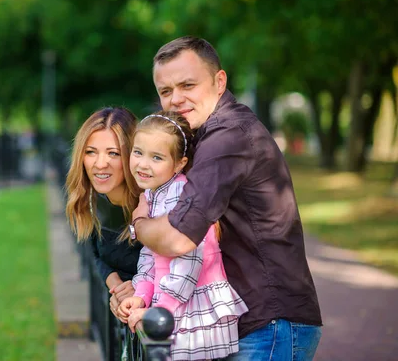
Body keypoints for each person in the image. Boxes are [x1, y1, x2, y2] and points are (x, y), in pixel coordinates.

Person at [131, 37, 322, 360]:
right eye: (166, 91)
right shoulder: (202, 135)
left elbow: (179, 239)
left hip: (270, 324)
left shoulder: (227, 136)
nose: (176, 99)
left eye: (188, 84)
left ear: (219, 82)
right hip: (256, 324)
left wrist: (139, 221)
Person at [118, 111, 248, 360]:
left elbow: (188, 259)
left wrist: (160, 312)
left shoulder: (179, 194)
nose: (143, 164)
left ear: (179, 163)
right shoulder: (153, 193)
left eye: (156, 157)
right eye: (138, 152)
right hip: (171, 300)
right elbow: (149, 251)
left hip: (190, 303)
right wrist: (141, 295)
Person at [65, 107, 143, 317]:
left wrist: (140, 288)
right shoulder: (93, 200)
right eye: (91, 152)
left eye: (113, 153)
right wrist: (116, 286)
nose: (100, 164)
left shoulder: (155, 205)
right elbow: (96, 253)